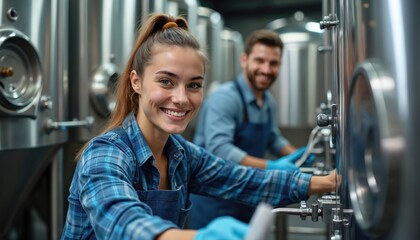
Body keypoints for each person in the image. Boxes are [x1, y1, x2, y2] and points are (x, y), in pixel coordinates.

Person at [61, 13, 339, 240]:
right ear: (136, 82)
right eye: (166, 81)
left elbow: (243, 180)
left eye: (194, 85)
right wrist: (200, 237)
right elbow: (122, 222)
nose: (182, 99)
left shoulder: (181, 155)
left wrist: (327, 182)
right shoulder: (105, 154)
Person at [189, 29, 316, 228]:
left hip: (247, 198)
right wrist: (271, 167)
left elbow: (273, 139)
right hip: (216, 203)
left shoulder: (267, 102)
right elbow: (221, 150)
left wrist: (301, 154)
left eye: (273, 63)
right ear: (244, 60)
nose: (266, 69)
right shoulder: (225, 98)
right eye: (259, 61)